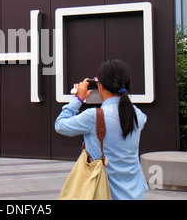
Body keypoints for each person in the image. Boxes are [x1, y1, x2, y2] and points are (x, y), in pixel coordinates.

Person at [55, 59, 148, 200]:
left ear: (101, 86)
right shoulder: (138, 115)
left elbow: (60, 125)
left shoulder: (94, 116)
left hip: (105, 193)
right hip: (135, 192)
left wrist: (77, 100)